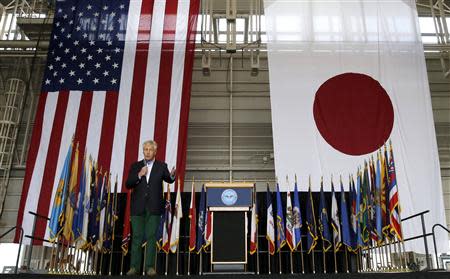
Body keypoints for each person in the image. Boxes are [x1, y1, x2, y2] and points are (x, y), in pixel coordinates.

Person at [125, 140, 176, 276]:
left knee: (152, 237)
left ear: (155, 152)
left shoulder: (161, 166)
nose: (147, 152)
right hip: (138, 207)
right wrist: (139, 175)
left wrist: (172, 174)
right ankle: (134, 267)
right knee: (136, 236)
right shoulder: (136, 166)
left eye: (150, 150)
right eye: (145, 149)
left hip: (154, 207)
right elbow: (128, 184)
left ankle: (149, 267)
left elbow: (169, 179)